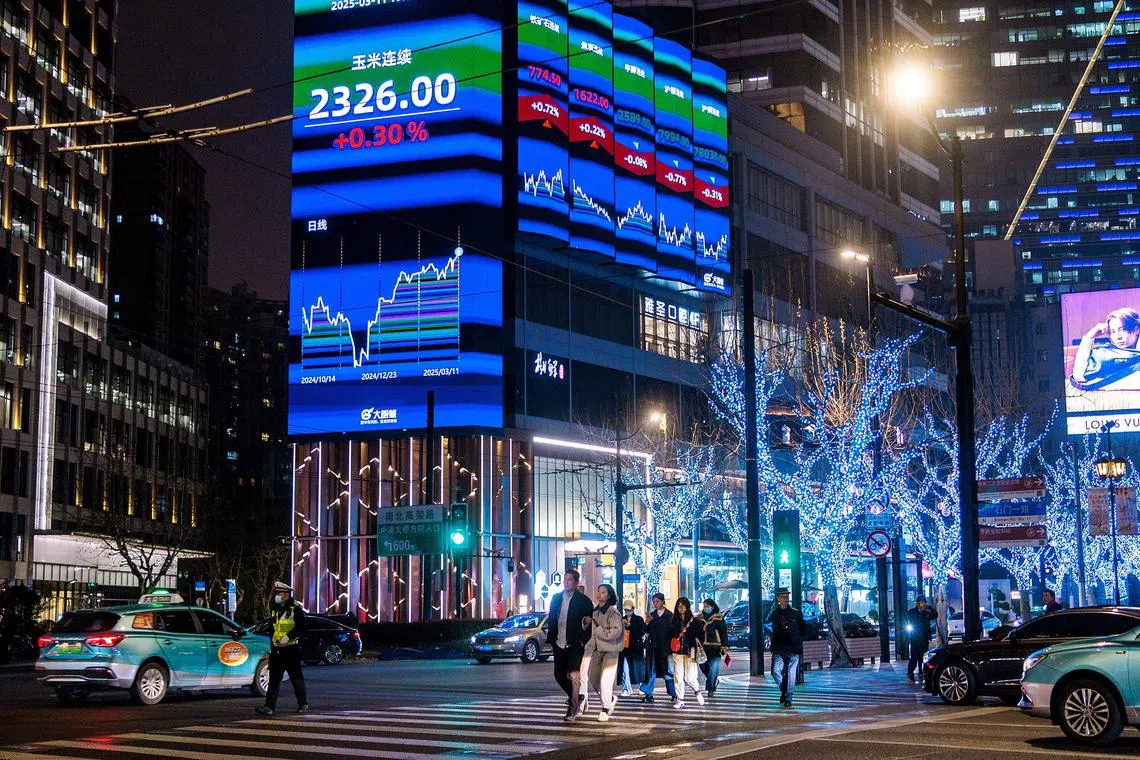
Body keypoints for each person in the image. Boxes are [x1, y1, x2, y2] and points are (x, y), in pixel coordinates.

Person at [545, 569, 593, 721]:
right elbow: (552, 618)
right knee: (558, 674)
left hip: (575, 643)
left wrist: (582, 640)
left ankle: (572, 709)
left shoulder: (583, 601)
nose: (566, 582)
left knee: (574, 675)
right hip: (558, 641)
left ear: (576, 582)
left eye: (569, 580)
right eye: (565, 579)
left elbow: (588, 623)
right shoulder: (556, 598)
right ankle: (576, 696)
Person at [256, 581, 309, 715]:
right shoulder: (276, 609)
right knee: (273, 680)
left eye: (278, 593)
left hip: (291, 650)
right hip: (277, 650)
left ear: (286, 594)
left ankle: (303, 704)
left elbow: (302, 629)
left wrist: (289, 636)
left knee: (296, 679)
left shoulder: (295, 609)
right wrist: (273, 647)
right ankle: (269, 707)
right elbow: (273, 629)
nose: (277, 596)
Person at [580, 584, 624, 722]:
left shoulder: (613, 612)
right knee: (593, 678)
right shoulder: (596, 611)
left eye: (603, 592)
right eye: (598, 591)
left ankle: (605, 708)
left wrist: (599, 629)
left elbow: (615, 632)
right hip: (598, 649)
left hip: (611, 650)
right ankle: (610, 698)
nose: (599, 594)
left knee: (606, 680)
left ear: (609, 595)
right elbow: (594, 633)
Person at [1070, 307, 1140, 390]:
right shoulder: (1104, 354)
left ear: (1137, 330)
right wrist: (1089, 337)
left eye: (1122, 330)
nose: (1118, 337)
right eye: (1113, 331)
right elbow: (1079, 376)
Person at [767, 587, 806, 707]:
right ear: (778, 598)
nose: (785, 599)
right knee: (775, 671)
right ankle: (784, 690)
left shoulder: (795, 613)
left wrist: (799, 642)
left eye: (787, 596)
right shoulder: (774, 613)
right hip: (778, 646)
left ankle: (788, 697)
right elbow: (769, 624)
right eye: (783, 596)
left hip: (792, 646)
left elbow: (803, 628)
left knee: (790, 672)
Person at [639, 592, 677, 704]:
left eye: (657, 601)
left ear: (662, 601)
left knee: (668, 672)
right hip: (653, 648)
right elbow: (644, 631)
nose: (655, 604)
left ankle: (674, 694)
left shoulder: (669, 615)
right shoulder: (652, 615)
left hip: (665, 649)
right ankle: (648, 694)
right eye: (654, 602)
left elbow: (672, 631)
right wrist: (648, 622)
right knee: (651, 671)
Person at [668, 597, 705, 709]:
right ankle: (680, 699)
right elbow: (669, 635)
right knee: (678, 676)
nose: (681, 608)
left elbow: (701, 636)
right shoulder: (673, 621)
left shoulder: (695, 621)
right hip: (677, 651)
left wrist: (693, 644)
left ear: (688, 606)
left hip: (690, 651)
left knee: (690, 677)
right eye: (679, 606)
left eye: (683, 605)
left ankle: (697, 691)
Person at [698, 598, 728, 698]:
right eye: (704, 606)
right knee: (703, 666)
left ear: (712, 607)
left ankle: (711, 689)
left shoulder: (718, 618)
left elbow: (723, 632)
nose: (706, 608)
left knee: (713, 666)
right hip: (702, 647)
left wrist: (724, 646)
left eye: (708, 606)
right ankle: (713, 680)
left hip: (715, 646)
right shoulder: (699, 618)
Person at [906, 596, 938, 682]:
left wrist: (930, 609)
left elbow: (935, 615)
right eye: (921, 602)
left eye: (924, 602)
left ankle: (921, 672)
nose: (923, 603)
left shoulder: (927, 612)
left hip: (924, 638)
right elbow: (911, 618)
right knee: (914, 657)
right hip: (915, 638)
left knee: (923, 656)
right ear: (917, 602)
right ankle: (910, 673)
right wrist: (921, 611)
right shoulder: (912, 612)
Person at [618, 600, 645, 697]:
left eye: (628, 609)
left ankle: (642, 687)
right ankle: (626, 688)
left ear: (633, 609)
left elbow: (641, 632)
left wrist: (630, 627)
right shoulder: (622, 619)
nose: (627, 611)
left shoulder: (639, 620)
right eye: (625, 609)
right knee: (625, 669)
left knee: (638, 668)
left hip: (636, 648)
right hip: (624, 648)